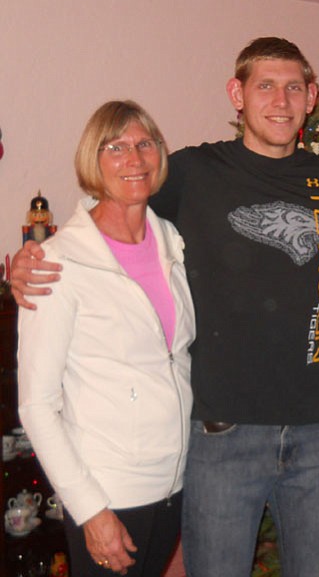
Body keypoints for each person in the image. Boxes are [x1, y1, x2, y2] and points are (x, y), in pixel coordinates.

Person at [12, 38, 319, 577]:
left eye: (293, 87)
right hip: (223, 434)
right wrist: (31, 262)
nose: (280, 100)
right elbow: (115, 207)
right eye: (265, 85)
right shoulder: (191, 172)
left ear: (311, 97)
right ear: (236, 94)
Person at [17, 101, 195, 576]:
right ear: (91, 161)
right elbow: (36, 404)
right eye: (114, 147)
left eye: (144, 144)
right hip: (110, 492)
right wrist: (90, 510)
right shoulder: (58, 262)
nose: (133, 159)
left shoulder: (173, 242)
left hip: (174, 483)